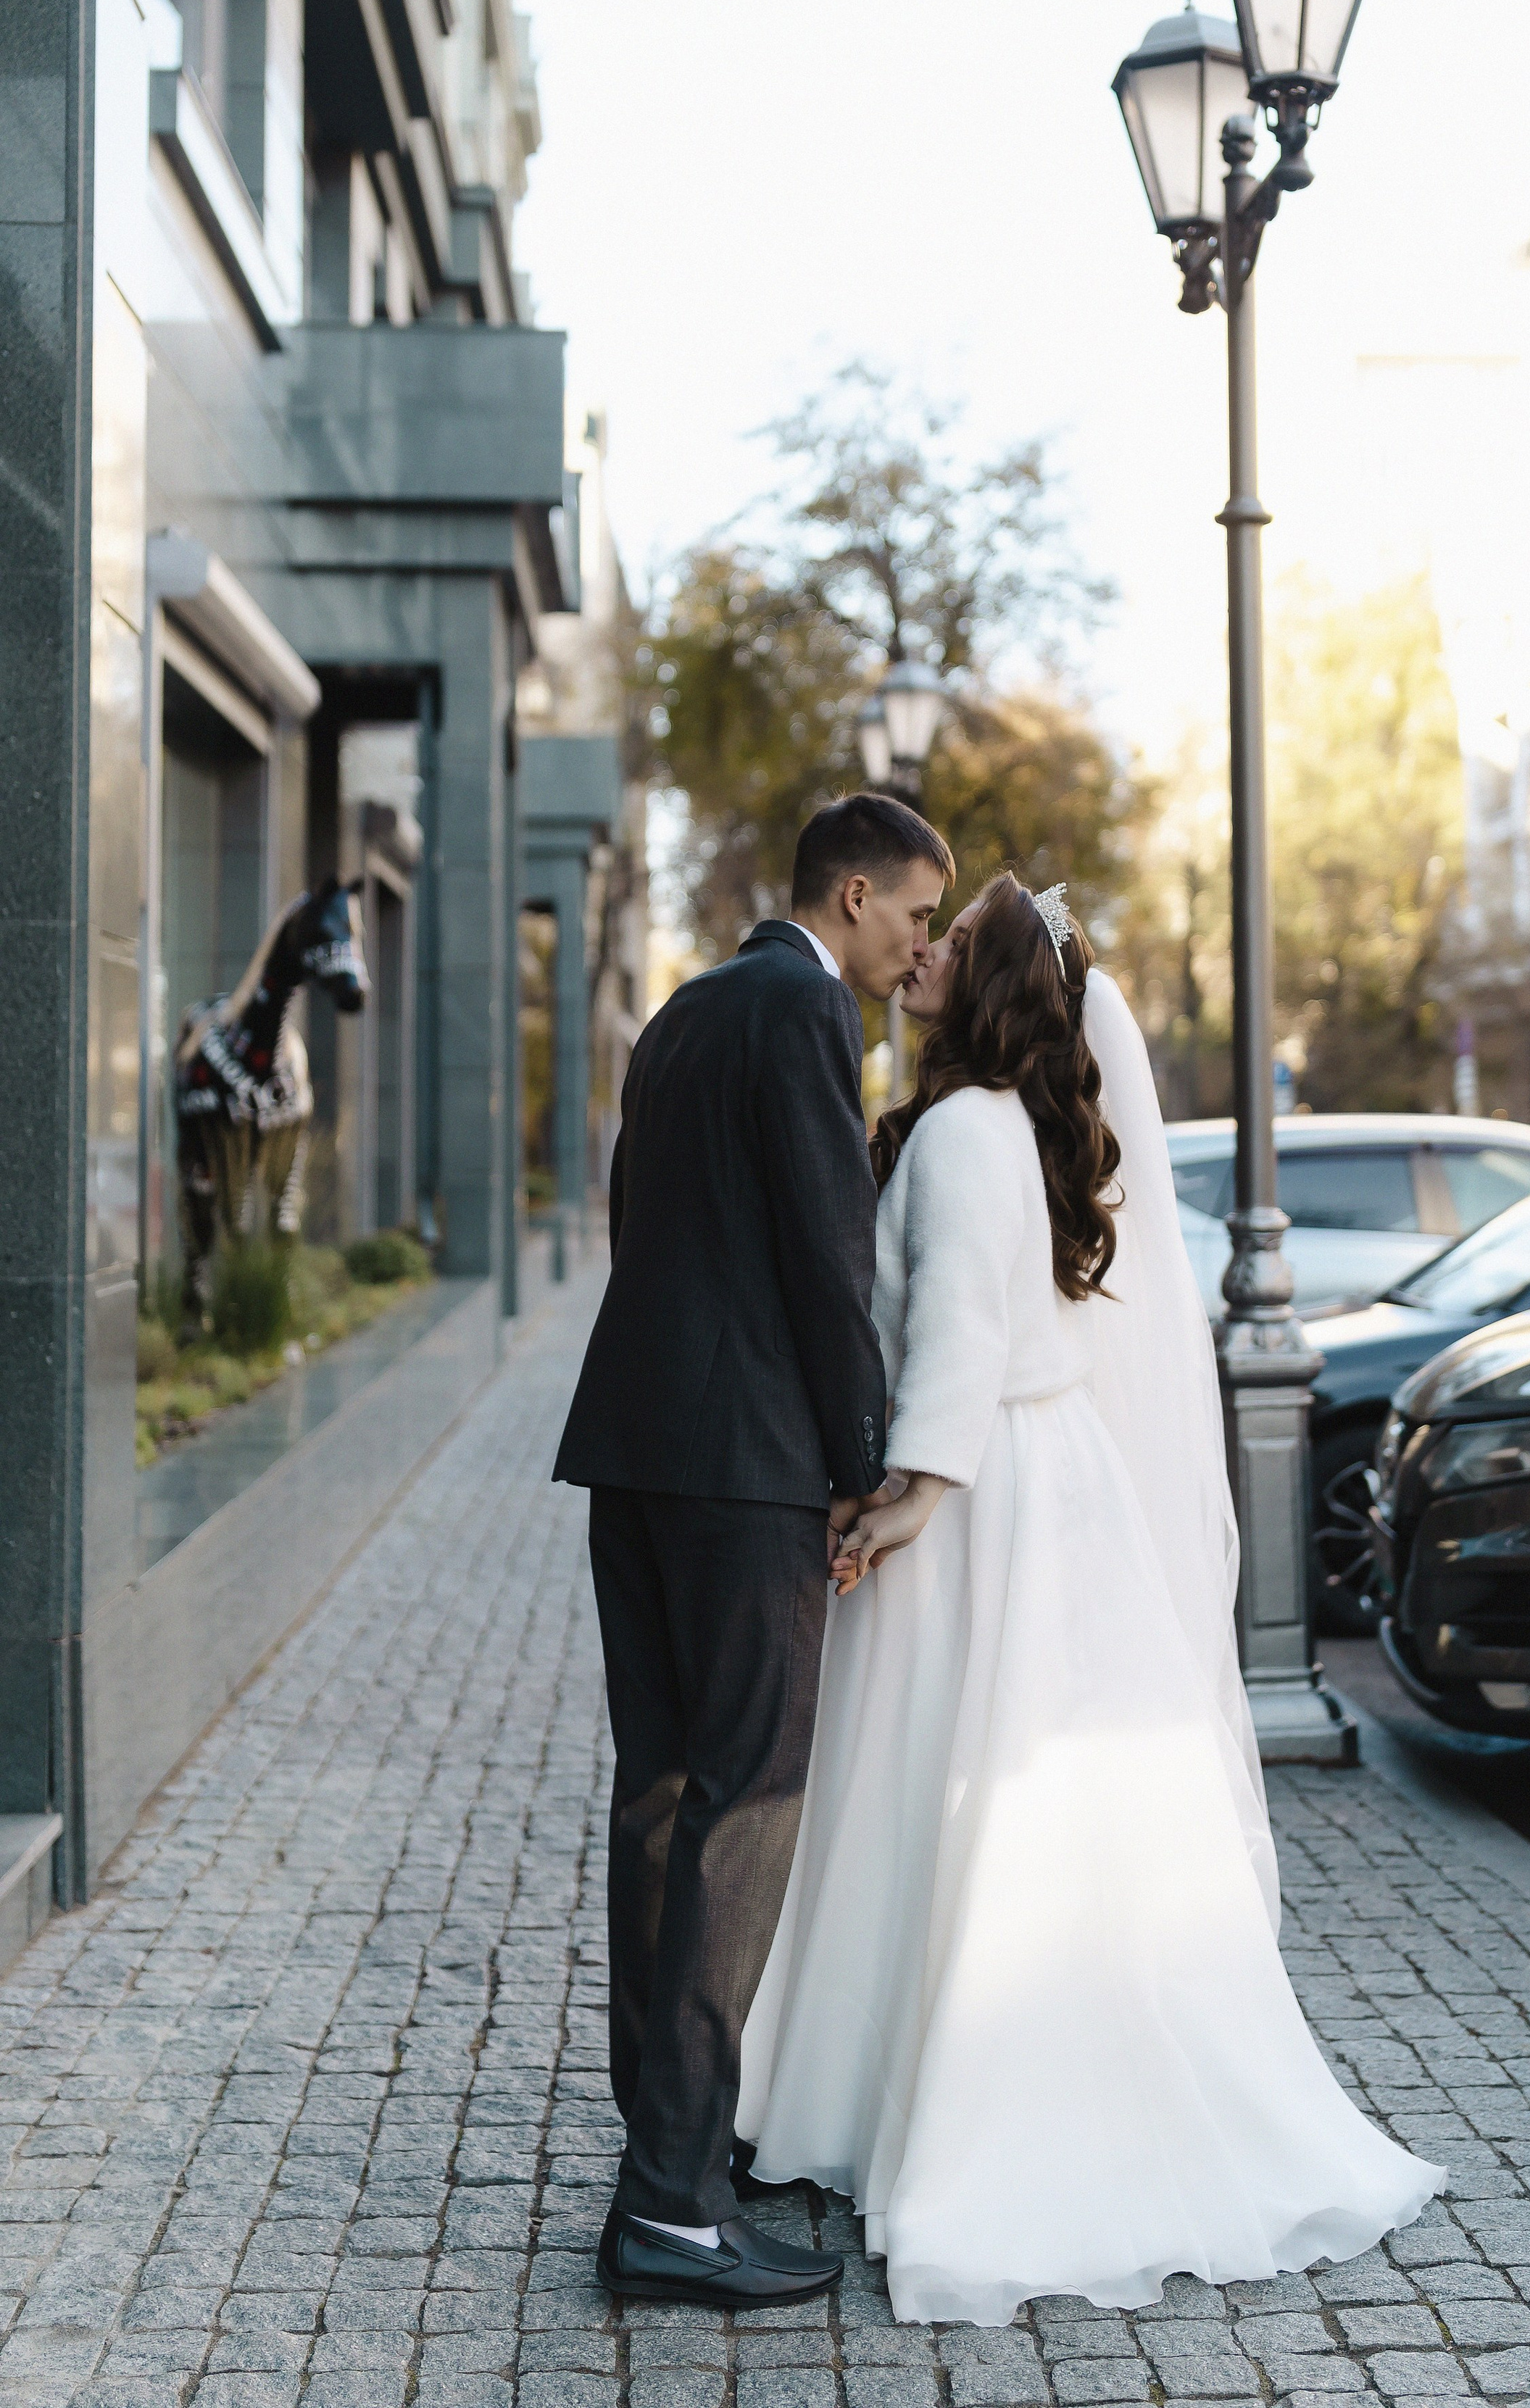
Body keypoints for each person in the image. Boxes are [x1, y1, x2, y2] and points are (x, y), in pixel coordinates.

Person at [737, 873, 1444, 2325]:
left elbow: (957, 1346)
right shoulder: (1017, 1131)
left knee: (946, 1800)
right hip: (1047, 1491)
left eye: (951, 943)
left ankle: (930, 2107)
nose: (921, 952)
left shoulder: (960, 1132)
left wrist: (896, 1506)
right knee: (1013, 1814)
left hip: (984, 1501)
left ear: (989, 986)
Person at [552, 792, 953, 2311]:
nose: (919, 947)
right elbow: (822, 1254)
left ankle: (670, 2149)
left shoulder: (687, 1007)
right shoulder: (803, 1009)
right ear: (852, 895)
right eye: (915, 913)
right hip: (744, 1478)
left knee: (659, 1795)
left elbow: (635, 1220)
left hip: (637, 1454)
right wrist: (864, 1467)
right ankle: (668, 2204)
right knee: (746, 1806)